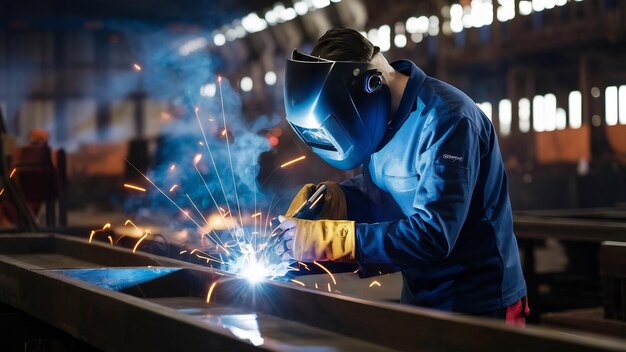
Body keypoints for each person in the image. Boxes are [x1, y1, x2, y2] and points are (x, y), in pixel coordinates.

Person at [277, 28, 528, 325]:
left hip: (480, 307)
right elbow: (389, 190)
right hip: (420, 298)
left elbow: (433, 235)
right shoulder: (379, 117)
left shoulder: (447, 119)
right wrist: (341, 199)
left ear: (369, 85)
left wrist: (334, 239)